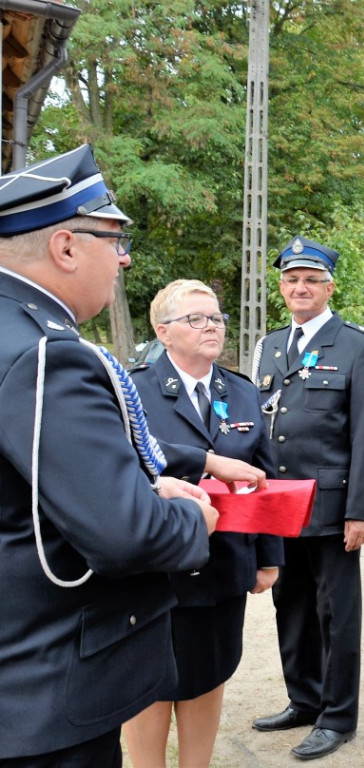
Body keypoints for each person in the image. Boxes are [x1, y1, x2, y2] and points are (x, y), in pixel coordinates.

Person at [0, 144, 218, 766]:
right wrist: (188, 518)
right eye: (112, 239)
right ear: (65, 247)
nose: (123, 258)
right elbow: (127, 536)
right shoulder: (48, 355)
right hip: (42, 698)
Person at [124, 279, 284, 767]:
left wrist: (269, 558)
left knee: (208, 674)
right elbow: (123, 461)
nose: (211, 326)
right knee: (148, 681)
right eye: (197, 318)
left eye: (216, 317)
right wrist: (206, 461)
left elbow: (265, 475)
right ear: (163, 331)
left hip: (223, 563)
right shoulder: (132, 388)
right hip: (154, 566)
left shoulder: (238, 391)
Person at [251, 236, 364, 761]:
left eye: (311, 279)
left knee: (337, 614)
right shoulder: (267, 346)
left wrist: (360, 511)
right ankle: (303, 699)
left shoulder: (356, 345)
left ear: (329, 287)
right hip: (280, 506)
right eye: (291, 279)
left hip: (331, 508)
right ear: (281, 287)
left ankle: (337, 716)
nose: (300, 287)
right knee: (293, 606)